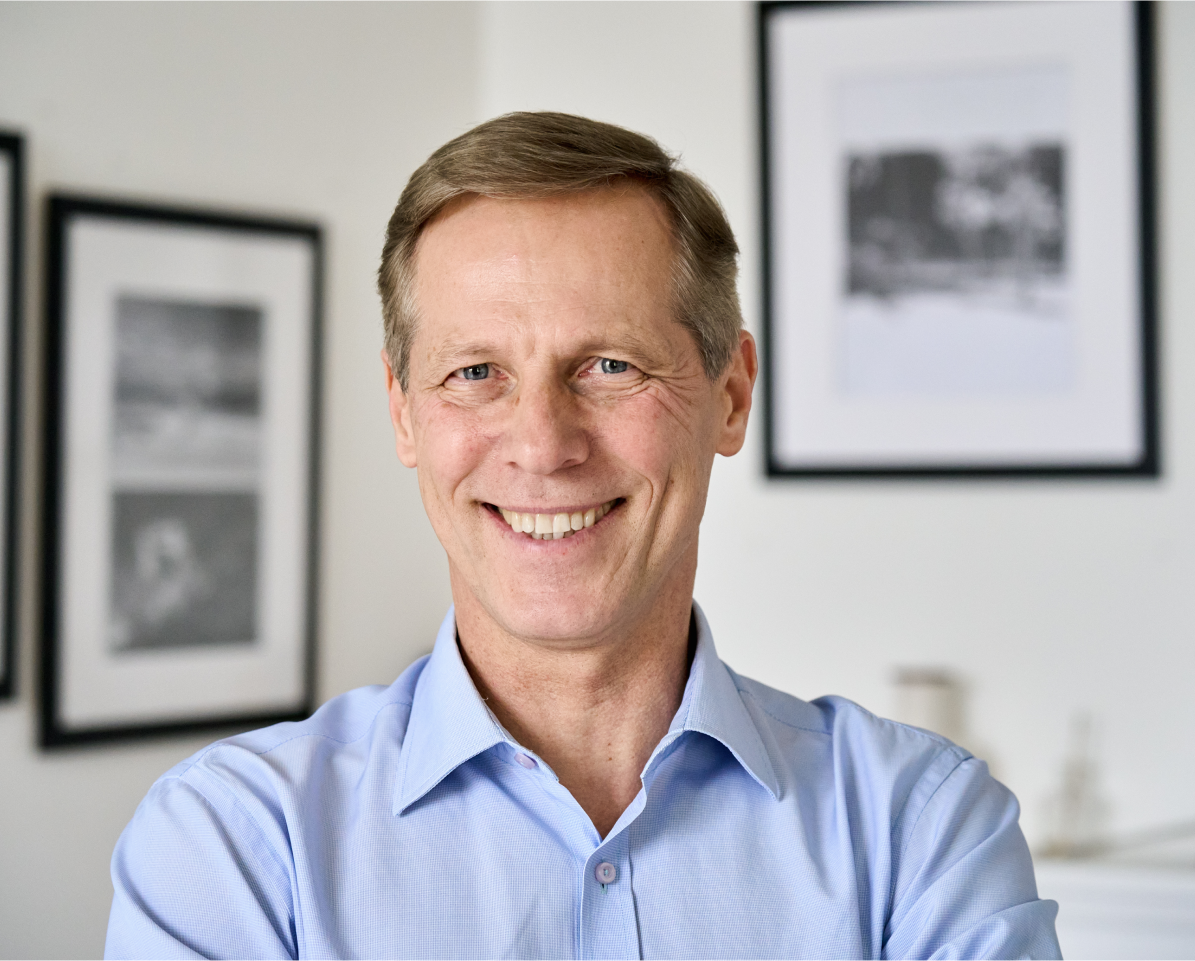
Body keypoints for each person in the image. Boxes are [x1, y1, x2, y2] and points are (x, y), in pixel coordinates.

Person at [105, 112, 1062, 960]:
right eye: (475, 372)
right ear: (403, 414)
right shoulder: (234, 847)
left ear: (730, 394)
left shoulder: (921, 829)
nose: (542, 445)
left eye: (608, 365)